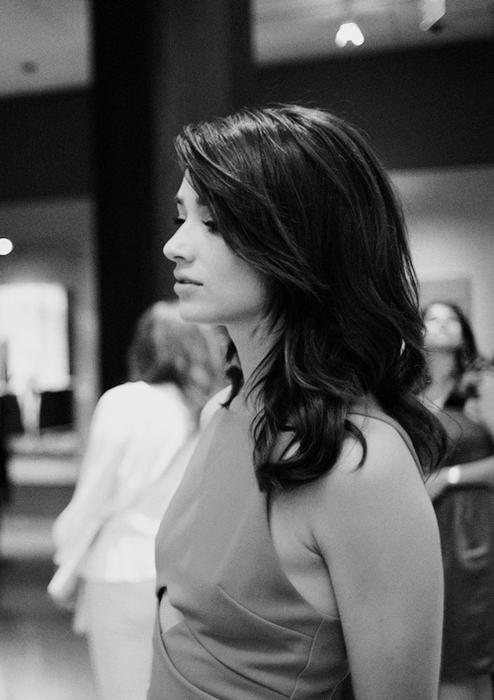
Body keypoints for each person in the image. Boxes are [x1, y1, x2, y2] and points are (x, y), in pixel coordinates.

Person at [147, 104, 446, 700]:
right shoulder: (223, 412)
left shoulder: (362, 465)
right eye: (183, 217)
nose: (174, 247)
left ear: (300, 239)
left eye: (214, 223)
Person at [49, 301, 223, 700]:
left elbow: (95, 493)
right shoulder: (211, 408)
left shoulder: (123, 402)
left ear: (143, 347)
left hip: (120, 568)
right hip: (189, 574)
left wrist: (65, 542)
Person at [422, 300, 494, 700]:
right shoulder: (406, 394)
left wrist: (448, 478)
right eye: (433, 318)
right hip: (423, 530)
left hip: (469, 529)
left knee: (466, 648)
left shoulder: (480, 385)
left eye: (452, 319)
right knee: (432, 648)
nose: (443, 324)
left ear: (464, 333)